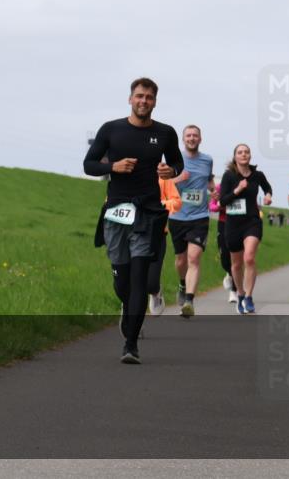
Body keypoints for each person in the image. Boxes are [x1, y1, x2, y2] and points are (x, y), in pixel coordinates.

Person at [84, 78, 184, 364]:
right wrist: (112, 166)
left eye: (149, 97)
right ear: (130, 99)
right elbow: (89, 165)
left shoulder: (165, 133)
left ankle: (131, 345)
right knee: (123, 281)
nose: (144, 101)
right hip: (116, 211)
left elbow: (178, 163)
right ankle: (127, 307)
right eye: (139, 96)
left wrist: (169, 170)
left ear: (155, 101)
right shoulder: (111, 129)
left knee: (140, 276)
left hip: (148, 213)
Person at [167, 125, 215, 318]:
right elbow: (162, 183)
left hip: (200, 217)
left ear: (200, 139)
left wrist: (213, 189)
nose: (192, 138)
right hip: (177, 216)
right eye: (189, 135)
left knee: (193, 258)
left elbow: (208, 179)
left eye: (195, 135)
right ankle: (182, 283)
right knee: (180, 261)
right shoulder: (173, 159)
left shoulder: (207, 160)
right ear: (183, 139)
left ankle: (189, 301)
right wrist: (179, 178)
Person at [219, 144, 273, 314]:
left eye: (246, 152)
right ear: (235, 157)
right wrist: (237, 190)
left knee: (249, 258)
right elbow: (222, 201)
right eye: (240, 152)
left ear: (250, 156)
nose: (244, 154)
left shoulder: (257, 175)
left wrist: (268, 196)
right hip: (233, 224)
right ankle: (240, 294)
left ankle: (249, 297)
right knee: (236, 264)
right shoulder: (228, 176)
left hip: (252, 222)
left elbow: (267, 187)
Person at [147, 175, 183, 316]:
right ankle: (131, 317)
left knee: (150, 284)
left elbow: (177, 202)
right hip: (130, 234)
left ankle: (155, 292)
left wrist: (161, 204)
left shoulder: (163, 178)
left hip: (157, 234)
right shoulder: (127, 173)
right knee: (130, 281)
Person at [212, 181, 238, 303]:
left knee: (237, 259)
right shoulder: (220, 187)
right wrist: (220, 205)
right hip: (223, 224)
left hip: (239, 224)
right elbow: (212, 206)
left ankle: (233, 291)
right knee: (225, 259)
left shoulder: (244, 185)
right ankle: (228, 272)